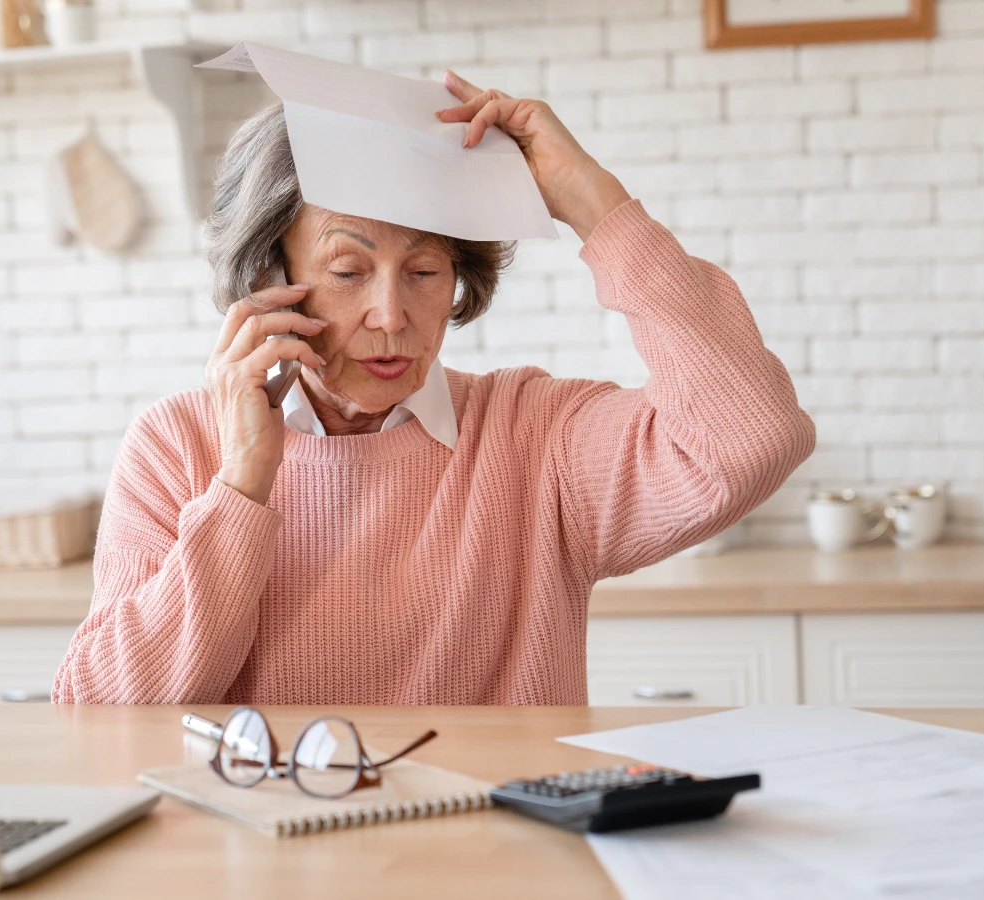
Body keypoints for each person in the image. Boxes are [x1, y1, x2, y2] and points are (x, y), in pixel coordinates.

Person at [54, 72, 815, 705]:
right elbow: (98, 719)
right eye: (349, 272)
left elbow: (752, 438)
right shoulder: (177, 447)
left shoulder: (532, 435)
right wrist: (242, 489)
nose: (393, 316)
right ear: (269, 281)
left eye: (424, 272)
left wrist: (594, 201)